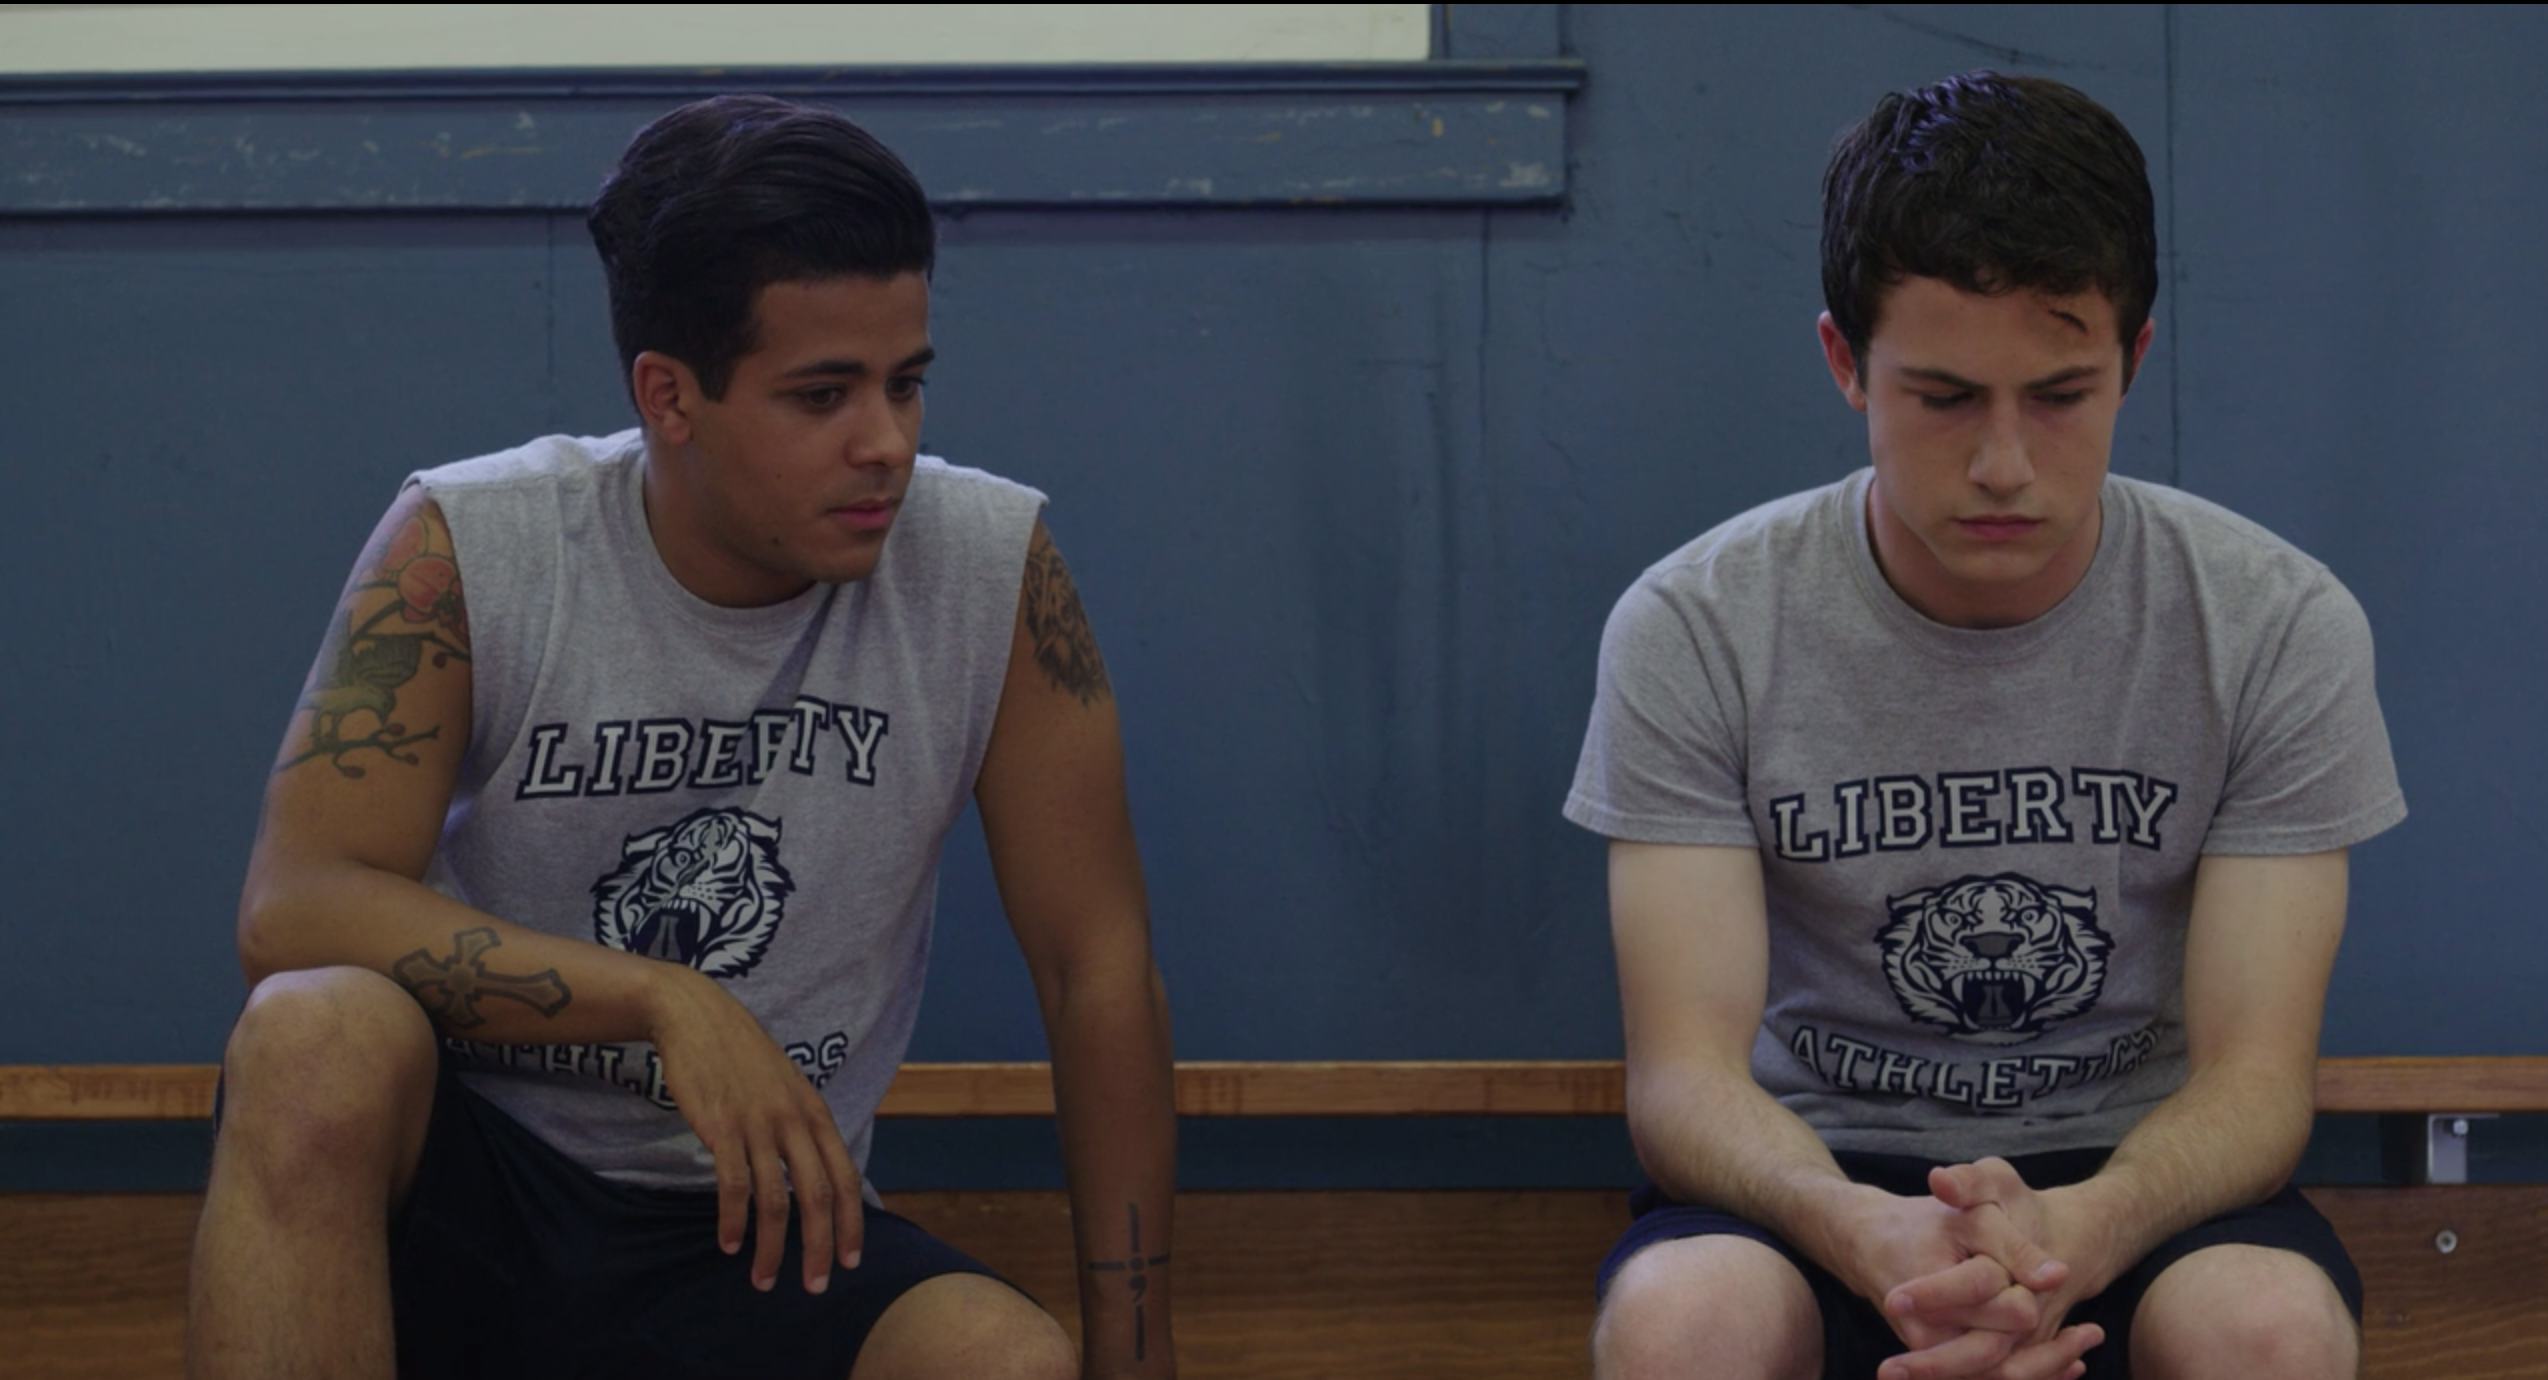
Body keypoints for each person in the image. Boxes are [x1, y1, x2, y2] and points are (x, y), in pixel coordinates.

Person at [187, 94, 1177, 1380]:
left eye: (906, 383)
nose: (885, 443)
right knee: (312, 1034)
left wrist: (1135, 1352)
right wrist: (664, 1000)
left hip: (770, 1230)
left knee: (1008, 1365)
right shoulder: (471, 543)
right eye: (821, 395)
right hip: (479, 1203)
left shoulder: (991, 565)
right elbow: (293, 909)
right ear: (668, 395)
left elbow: (1095, 966)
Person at [1567, 71, 2403, 1380]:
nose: (2003, 464)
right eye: (1945, 397)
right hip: (1813, 1173)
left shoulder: (2273, 623)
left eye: (2060, 395)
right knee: (1685, 1321)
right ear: (1846, 364)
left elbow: (2255, 1084)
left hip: (2144, 1179)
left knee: (2269, 1332)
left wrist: (2072, 1235)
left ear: (2133, 360)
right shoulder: (1696, 624)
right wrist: (1865, 1230)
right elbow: (1681, 1081)